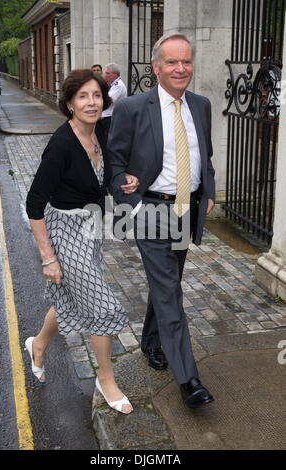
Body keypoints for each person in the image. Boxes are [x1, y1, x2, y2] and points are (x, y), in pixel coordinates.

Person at [108, 33, 216, 409]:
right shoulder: (132, 108)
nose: (181, 68)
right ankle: (189, 380)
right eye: (172, 62)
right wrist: (135, 207)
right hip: (150, 211)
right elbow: (115, 165)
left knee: (167, 282)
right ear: (156, 68)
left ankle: (151, 343)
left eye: (186, 61)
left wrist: (211, 191)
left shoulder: (201, 105)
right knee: (171, 291)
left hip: (186, 210)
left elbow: (207, 156)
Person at [25, 69, 139, 414]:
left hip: (90, 229)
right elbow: (33, 204)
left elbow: (102, 179)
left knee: (73, 301)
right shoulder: (60, 145)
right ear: (70, 104)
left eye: (96, 95)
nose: (91, 102)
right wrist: (48, 257)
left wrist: (125, 181)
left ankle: (38, 345)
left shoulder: (101, 132)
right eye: (82, 97)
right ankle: (106, 379)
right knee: (103, 307)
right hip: (63, 232)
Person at [101, 63, 127, 138]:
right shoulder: (112, 84)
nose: (105, 75)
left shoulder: (118, 85)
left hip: (110, 117)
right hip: (107, 116)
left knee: (106, 139)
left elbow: (109, 100)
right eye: (106, 73)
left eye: (108, 73)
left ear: (115, 74)